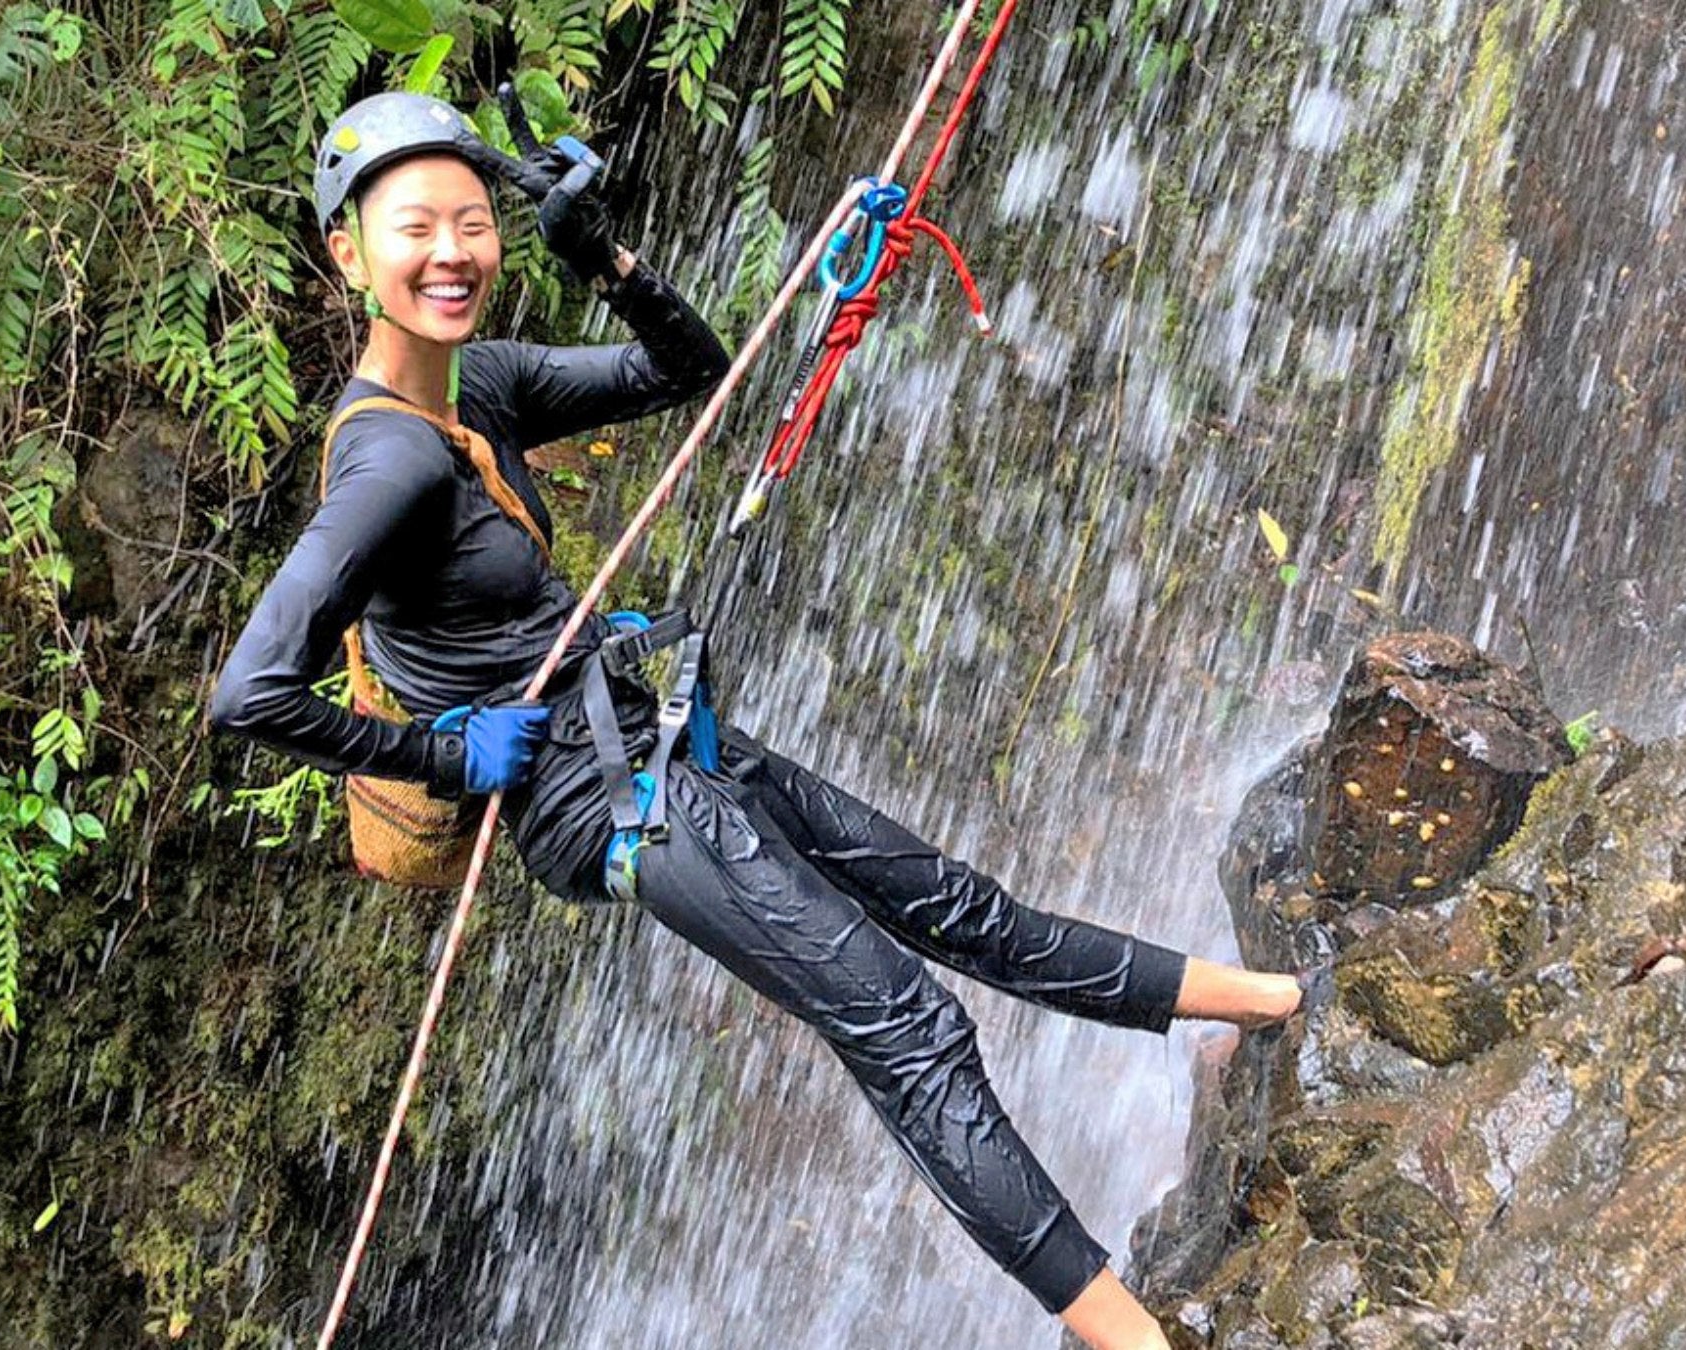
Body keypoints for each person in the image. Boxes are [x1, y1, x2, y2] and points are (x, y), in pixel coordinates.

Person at [208, 89, 1304, 1350]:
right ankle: (1132, 1338)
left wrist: (602, 254)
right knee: (908, 1022)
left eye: (472, 222)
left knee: (963, 910)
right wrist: (441, 751)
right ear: (347, 252)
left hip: (656, 740)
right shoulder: (386, 461)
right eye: (414, 228)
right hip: (609, 805)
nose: (451, 253)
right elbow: (251, 691)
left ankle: (1275, 1000)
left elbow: (688, 369)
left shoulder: (487, 386)